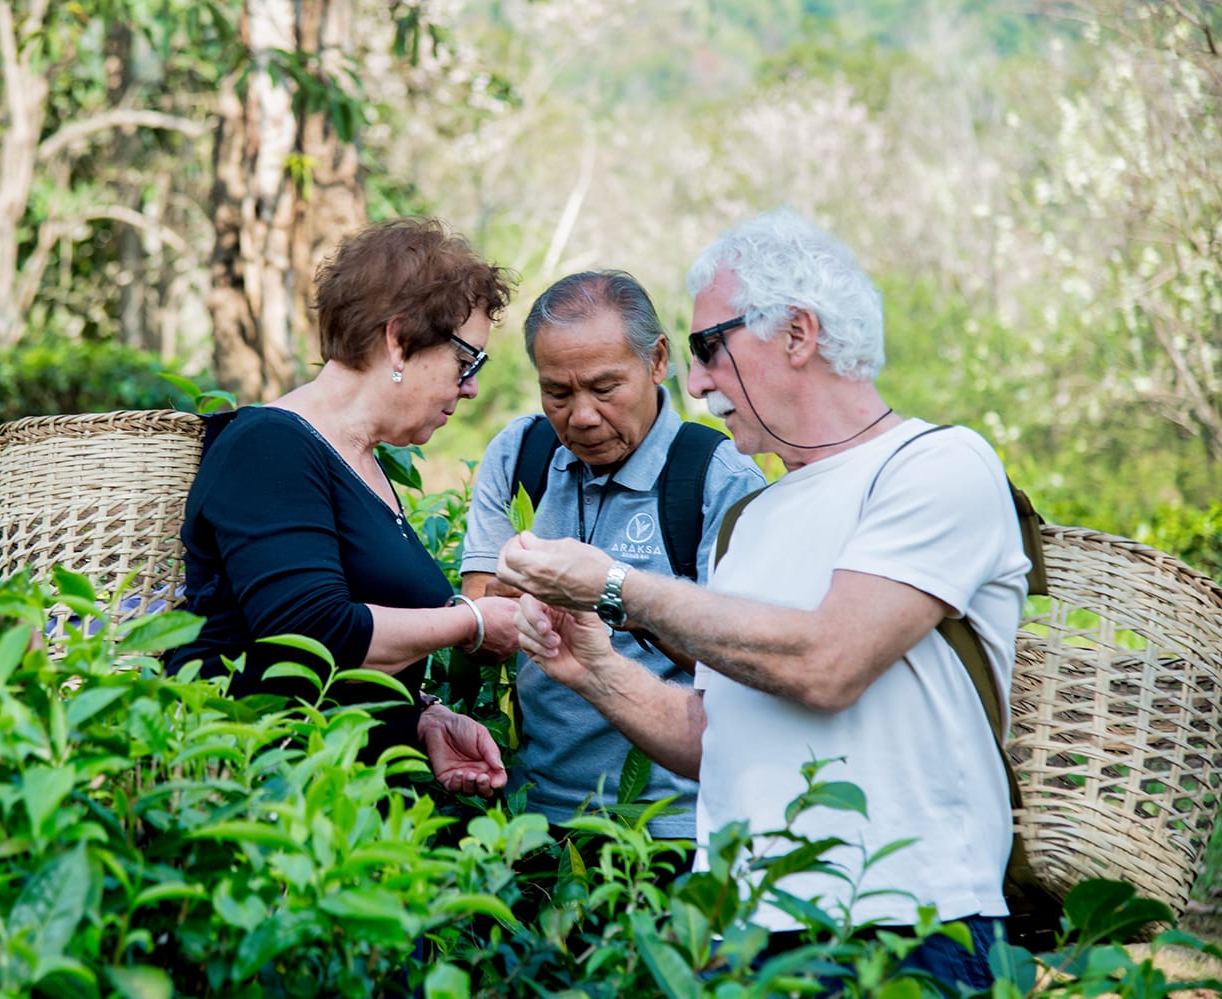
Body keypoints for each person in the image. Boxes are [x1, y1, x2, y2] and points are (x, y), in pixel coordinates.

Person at [497, 209, 1030, 990]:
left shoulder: (936, 464)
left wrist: (615, 587)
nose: (697, 380)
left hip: (907, 923)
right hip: (743, 934)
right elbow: (715, 736)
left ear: (798, 333)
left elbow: (828, 661)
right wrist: (592, 669)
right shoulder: (752, 518)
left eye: (711, 347)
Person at [169, 217, 521, 796]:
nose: (471, 387)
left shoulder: (360, 460)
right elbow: (312, 633)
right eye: (467, 361)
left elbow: (349, 662)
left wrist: (421, 715)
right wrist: (473, 621)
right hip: (282, 807)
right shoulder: (270, 446)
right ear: (399, 338)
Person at [458, 270, 764, 842]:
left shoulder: (715, 478)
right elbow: (478, 618)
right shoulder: (520, 455)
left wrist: (612, 595)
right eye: (557, 392)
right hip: (531, 813)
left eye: (604, 388)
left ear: (657, 361)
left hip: (667, 826)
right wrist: (505, 603)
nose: (582, 416)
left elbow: (746, 669)